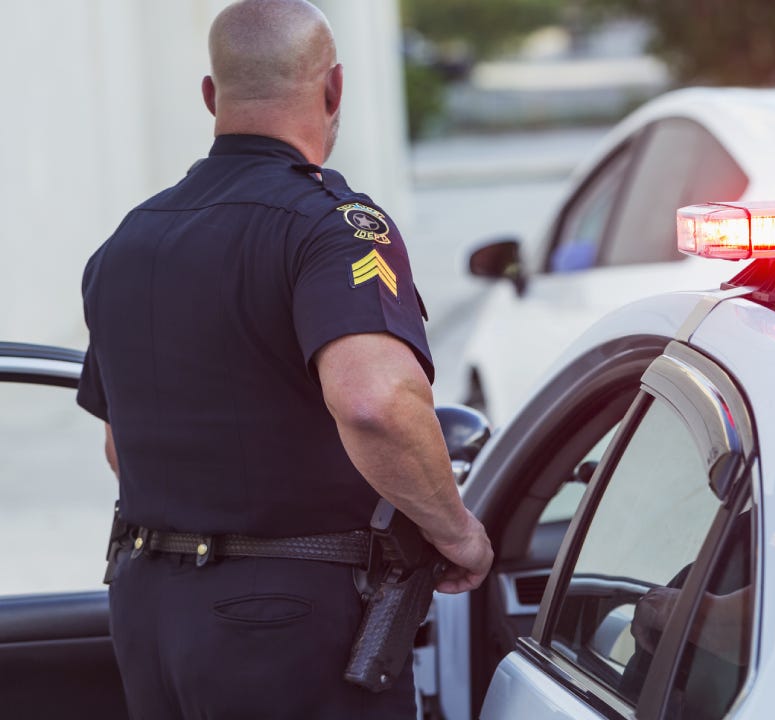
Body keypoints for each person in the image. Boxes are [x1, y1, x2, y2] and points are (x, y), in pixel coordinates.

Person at [75, 1, 492, 717]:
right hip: (286, 624)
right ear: (333, 90)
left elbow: (122, 447)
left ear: (212, 96)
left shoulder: (128, 242)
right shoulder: (334, 228)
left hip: (147, 614)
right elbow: (375, 403)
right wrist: (458, 533)